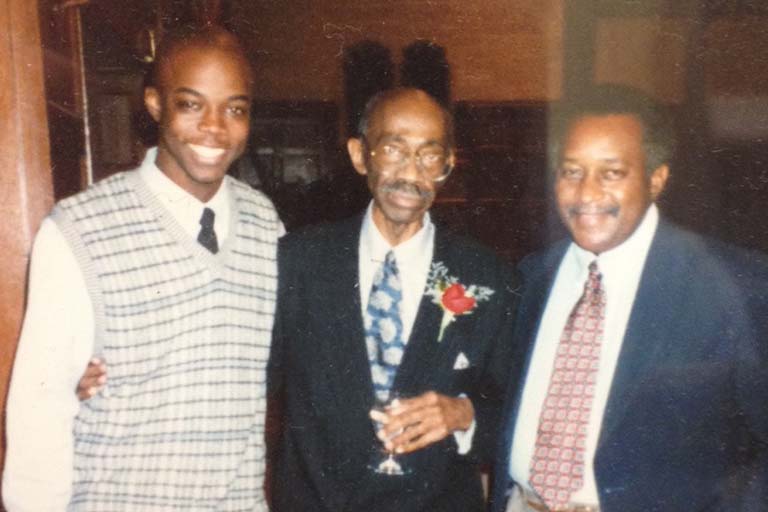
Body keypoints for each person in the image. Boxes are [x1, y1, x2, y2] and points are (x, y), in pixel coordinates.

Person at [3, 26, 282, 511]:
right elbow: (39, 413)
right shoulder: (80, 229)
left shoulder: (267, 225)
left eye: (234, 108)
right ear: (155, 104)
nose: (215, 127)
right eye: (191, 104)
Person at [489, 84, 768, 512]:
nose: (586, 194)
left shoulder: (731, 284)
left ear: (656, 179)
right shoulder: (532, 277)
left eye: (612, 172)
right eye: (572, 171)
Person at [267, 87, 520, 511]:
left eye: (428, 154)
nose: (411, 172)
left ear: (448, 164)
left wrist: (465, 415)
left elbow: (518, 411)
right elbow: (244, 375)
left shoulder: (489, 277)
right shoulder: (297, 262)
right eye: (394, 149)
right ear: (359, 154)